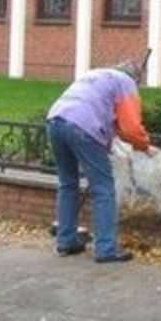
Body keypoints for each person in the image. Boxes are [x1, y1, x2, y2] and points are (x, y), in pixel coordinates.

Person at [46, 58, 152, 263]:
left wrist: (108, 141)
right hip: (83, 128)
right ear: (137, 78)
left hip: (55, 121)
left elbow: (102, 113)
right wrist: (144, 146)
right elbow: (130, 127)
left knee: (68, 184)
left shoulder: (97, 75)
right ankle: (106, 248)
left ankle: (65, 241)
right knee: (103, 188)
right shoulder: (126, 83)